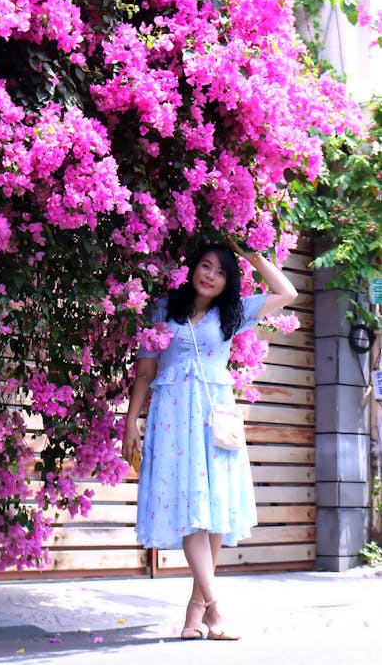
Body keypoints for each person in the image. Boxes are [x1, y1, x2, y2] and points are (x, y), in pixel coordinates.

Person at [122, 237, 297, 641]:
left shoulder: (234, 313)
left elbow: (287, 292)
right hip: (171, 416)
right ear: (192, 268)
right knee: (191, 506)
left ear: (226, 282)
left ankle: (194, 611)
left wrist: (249, 254)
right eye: (205, 266)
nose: (211, 276)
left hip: (214, 417)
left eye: (220, 272)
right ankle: (216, 611)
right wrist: (131, 420)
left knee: (214, 507)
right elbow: (145, 372)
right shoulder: (163, 310)